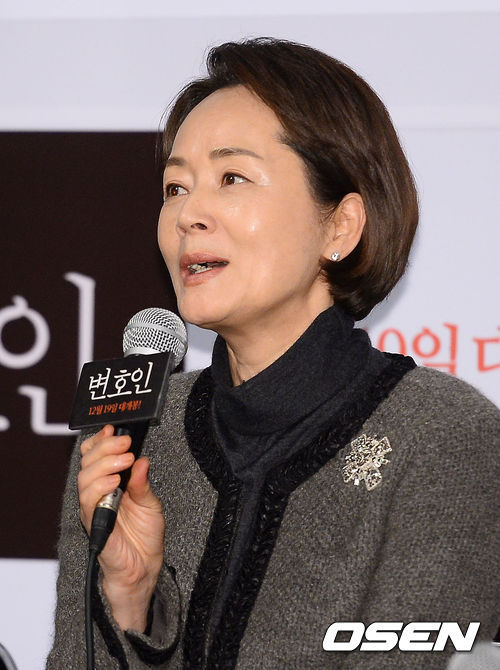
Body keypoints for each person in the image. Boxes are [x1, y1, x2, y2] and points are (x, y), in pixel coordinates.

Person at [46, 38, 499, 669]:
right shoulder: (132, 437)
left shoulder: (444, 436)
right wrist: (130, 599)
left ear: (340, 225)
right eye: (175, 186)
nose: (188, 213)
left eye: (231, 178)